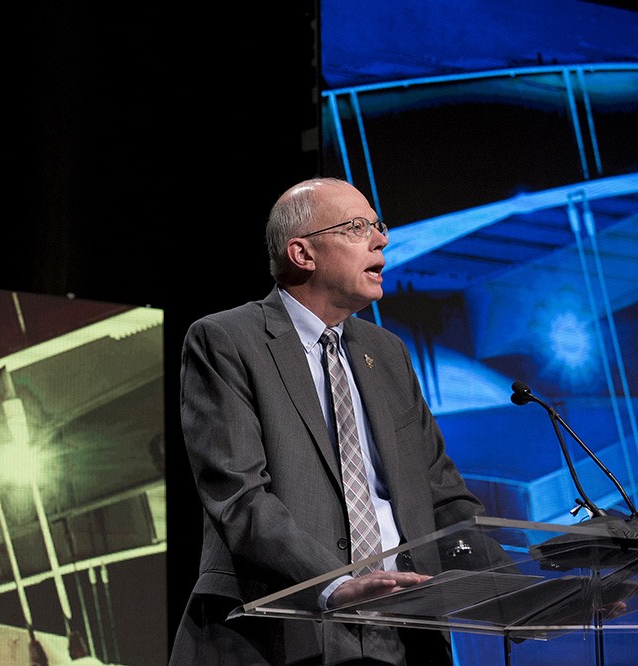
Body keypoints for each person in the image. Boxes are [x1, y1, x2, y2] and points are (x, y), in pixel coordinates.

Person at [169, 177, 491, 665]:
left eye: (378, 226)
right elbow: (239, 497)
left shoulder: (387, 353)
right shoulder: (226, 340)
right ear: (303, 254)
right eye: (358, 227)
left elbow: (442, 496)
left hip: (405, 632)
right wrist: (334, 584)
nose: (380, 240)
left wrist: (525, 591)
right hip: (283, 627)